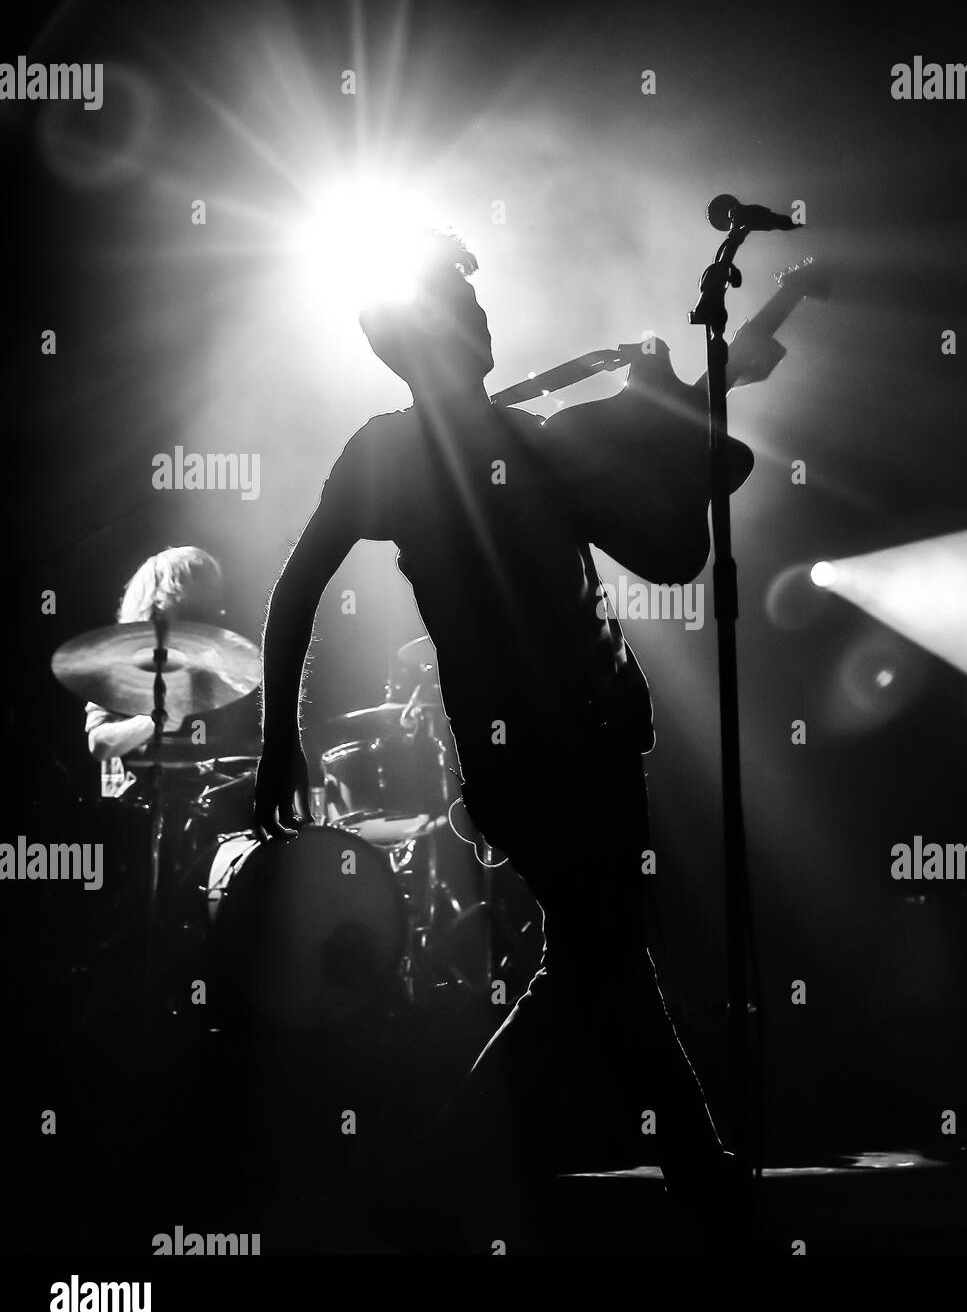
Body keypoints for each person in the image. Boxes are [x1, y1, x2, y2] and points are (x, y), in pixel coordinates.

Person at [254, 232, 749, 1216]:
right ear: (421, 344)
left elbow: (665, 555)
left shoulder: (528, 443)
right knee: (603, 956)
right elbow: (295, 586)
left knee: (591, 963)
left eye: (476, 308)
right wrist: (278, 739)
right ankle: (677, 1162)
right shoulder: (396, 452)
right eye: (457, 310)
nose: (482, 320)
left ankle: (450, 1176)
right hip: (526, 751)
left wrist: (674, 428)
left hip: (595, 732)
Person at [85, 545, 229, 796]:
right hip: (144, 812)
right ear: (162, 602)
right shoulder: (122, 666)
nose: (209, 609)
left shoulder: (220, 663)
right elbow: (99, 744)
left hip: (219, 809)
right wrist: (152, 722)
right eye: (195, 600)